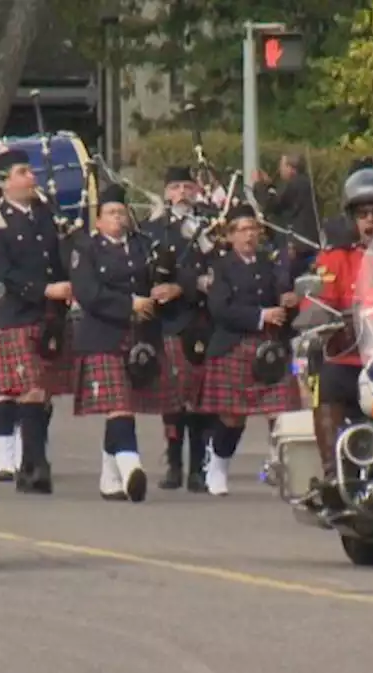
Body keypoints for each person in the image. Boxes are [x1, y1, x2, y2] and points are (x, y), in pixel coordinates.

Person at [70, 183, 175, 502]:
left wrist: (167, 288)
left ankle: (109, 477)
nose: (117, 217)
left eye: (121, 211)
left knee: (121, 407)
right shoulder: (85, 249)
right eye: (110, 213)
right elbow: (87, 293)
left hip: (141, 338)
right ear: (98, 221)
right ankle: (132, 468)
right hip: (102, 335)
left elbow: (163, 278)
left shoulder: (144, 246)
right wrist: (129, 304)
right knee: (120, 406)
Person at [0, 148, 72, 494]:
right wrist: (45, 289)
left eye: (30, 171)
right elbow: (2, 271)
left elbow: (60, 256)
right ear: (4, 181)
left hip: (49, 314)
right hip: (16, 312)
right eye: (22, 172)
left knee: (42, 392)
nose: (31, 177)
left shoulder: (45, 214)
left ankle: (30, 461)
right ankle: (34, 464)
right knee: (30, 389)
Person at [300, 167, 373, 511]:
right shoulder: (337, 256)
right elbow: (316, 298)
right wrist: (323, 315)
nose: (370, 222)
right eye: (363, 214)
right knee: (329, 380)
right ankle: (332, 474)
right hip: (350, 355)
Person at [199, 203, 302, 496]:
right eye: (242, 230)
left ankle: (282, 469)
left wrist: (288, 302)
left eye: (253, 229)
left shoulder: (270, 265)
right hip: (235, 345)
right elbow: (219, 309)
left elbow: (282, 295)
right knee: (233, 417)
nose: (249, 235)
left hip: (270, 349)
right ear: (230, 236)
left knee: (281, 414)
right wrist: (261, 316)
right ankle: (217, 466)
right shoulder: (221, 267)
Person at [142, 166, 215, 492]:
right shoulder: (153, 229)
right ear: (166, 193)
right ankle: (174, 463)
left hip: (203, 318)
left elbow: (220, 269)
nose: (183, 192)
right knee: (173, 399)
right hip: (169, 320)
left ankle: (199, 466)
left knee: (200, 399)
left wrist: (183, 287)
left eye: (188, 186)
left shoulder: (212, 226)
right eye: (176, 187)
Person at [252, 154, 320, 267]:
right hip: (308, 241)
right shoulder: (305, 183)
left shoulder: (295, 184)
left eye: (282, 166)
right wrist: (269, 185)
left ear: (291, 168)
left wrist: (258, 185)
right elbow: (285, 200)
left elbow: (272, 204)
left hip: (297, 244)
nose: (280, 170)